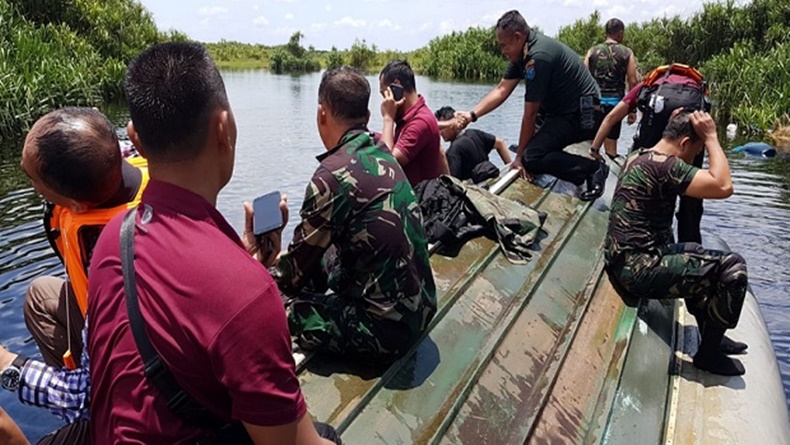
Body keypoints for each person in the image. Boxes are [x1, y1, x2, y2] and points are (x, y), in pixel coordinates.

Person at [86, 42, 339, 444]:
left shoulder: (112, 238)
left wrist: (245, 260)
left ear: (135, 138)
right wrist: (247, 276)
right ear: (224, 129)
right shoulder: (246, 293)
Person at [276, 66, 437, 363]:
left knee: (277, 306)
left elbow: (291, 277)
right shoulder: (382, 150)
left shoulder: (330, 176)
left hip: (388, 333)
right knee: (325, 256)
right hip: (423, 307)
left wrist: (265, 262)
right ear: (367, 116)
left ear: (321, 114)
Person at [604, 110, 748, 376]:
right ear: (684, 143)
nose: (694, 159)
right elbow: (724, 186)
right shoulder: (666, 167)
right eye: (696, 151)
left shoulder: (639, 155)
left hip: (626, 262)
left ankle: (710, 334)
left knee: (694, 251)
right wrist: (712, 138)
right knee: (733, 267)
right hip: (639, 270)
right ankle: (709, 356)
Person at [19, 107, 148, 369]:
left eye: (32, 180)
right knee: (41, 292)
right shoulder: (133, 160)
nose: (33, 186)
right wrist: (92, 124)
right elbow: (101, 144)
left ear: (77, 205)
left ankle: (89, 387)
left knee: (38, 300)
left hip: (122, 339)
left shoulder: (101, 251)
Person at [456, 10, 609, 201]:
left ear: (517, 37)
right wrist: (472, 115)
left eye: (503, 45)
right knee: (532, 150)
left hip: (584, 115)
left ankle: (593, 169)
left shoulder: (538, 57)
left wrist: (520, 158)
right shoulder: (522, 53)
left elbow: (530, 113)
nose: (502, 51)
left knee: (532, 157)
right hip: (562, 112)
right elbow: (502, 89)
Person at [591, 63, 709, 243]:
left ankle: (641, 236)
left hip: (653, 135)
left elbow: (611, 117)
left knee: (642, 177)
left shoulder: (647, 86)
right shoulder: (697, 91)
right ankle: (691, 246)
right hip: (689, 135)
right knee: (690, 199)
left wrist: (595, 148)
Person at [379, 59, 448, 186]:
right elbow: (441, 154)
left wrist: (388, 118)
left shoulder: (420, 122)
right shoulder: (412, 117)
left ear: (396, 87)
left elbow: (387, 164)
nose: (384, 101)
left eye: (385, 94)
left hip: (416, 197)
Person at [584, 18, 638, 159]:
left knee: (590, 145)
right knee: (611, 149)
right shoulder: (627, 53)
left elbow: (583, 78)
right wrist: (632, 109)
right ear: (620, 33)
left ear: (606, 33)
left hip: (594, 103)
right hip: (615, 106)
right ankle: (609, 167)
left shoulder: (592, 51)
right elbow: (633, 81)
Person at [434, 106, 512, 181]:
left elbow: (453, 180)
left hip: (475, 187)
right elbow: (500, 143)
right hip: (490, 176)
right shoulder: (475, 133)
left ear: (453, 125)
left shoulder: (453, 150)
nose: (440, 132)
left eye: (442, 128)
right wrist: (510, 169)